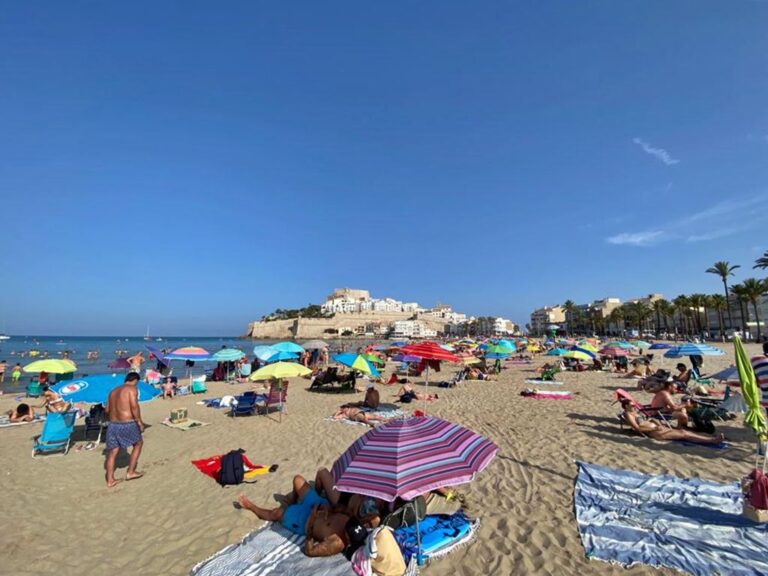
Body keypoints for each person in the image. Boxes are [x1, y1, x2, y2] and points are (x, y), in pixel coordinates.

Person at [237, 475, 365, 557]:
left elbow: (309, 551)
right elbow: (340, 508)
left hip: (306, 521)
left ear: (348, 539)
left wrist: (310, 528)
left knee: (276, 513)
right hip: (319, 505)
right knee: (298, 480)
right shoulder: (351, 518)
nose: (346, 524)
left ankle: (251, 507)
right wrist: (329, 508)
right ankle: (293, 498)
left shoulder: (336, 544)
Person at [105, 372, 145, 488]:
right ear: (135, 380)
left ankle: (110, 480)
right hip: (127, 423)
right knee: (138, 444)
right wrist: (139, 421)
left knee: (112, 452)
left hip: (113, 424)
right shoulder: (132, 389)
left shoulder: (113, 391)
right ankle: (131, 472)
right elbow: (134, 406)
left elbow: (107, 410)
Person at [621, 400, 724, 444]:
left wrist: (655, 422)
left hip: (658, 428)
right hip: (654, 432)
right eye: (632, 405)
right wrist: (654, 428)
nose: (634, 406)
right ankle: (711, 441)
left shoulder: (635, 413)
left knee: (683, 431)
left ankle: (711, 438)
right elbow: (637, 428)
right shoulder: (628, 414)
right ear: (626, 406)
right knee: (683, 434)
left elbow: (646, 420)